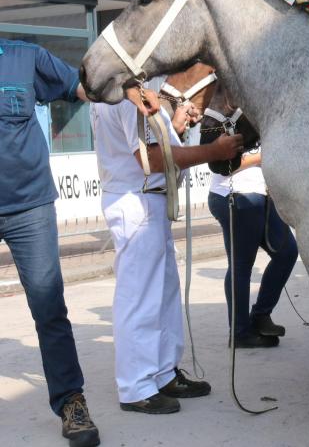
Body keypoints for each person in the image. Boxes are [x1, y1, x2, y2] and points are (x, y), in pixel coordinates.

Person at [90, 81, 243, 414]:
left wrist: (173, 128)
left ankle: (162, 373)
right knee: (140, 298)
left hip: (149, 201)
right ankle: (136, 386)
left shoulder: (133, 91)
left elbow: (154, 149)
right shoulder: (124, 95)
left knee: (163, 294)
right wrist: (213, 153)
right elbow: (152, 160)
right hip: (137, 200)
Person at [0, 37, 100, 447]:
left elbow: (82, 87)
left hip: (29, 206)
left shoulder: (26, 57)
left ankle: (70, 401)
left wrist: (127, 74)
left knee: (48, 306)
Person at [207, 149, 299, 348]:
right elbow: (222, 166)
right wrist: (265, 155)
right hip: (236, 195)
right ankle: (240, 332)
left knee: (287, 252)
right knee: (241, 266)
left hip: (261, 195)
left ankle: (260, 315)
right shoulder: (225, 118)